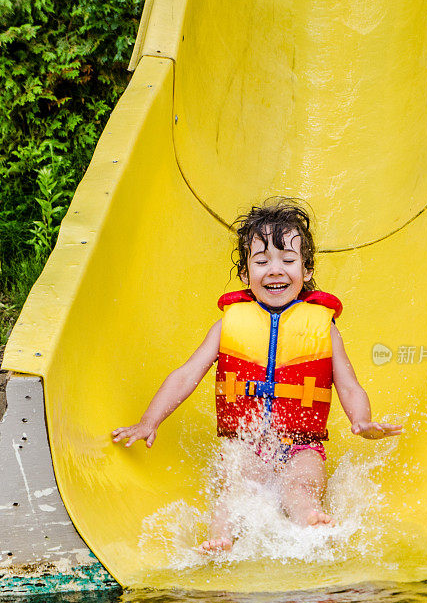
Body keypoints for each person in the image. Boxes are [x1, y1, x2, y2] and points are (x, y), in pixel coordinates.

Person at [112, 198, 402, 553]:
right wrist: (149, 420)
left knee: (301, 485)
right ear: (246, 274)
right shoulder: (227, 326)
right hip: (246, 443)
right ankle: (220, 540)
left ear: (307, 270)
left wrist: (363, 420)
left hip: (302, 444)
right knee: (235, 483)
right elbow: (186, 374)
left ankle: (311, 520)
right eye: (262, 261)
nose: (275, 270)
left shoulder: (323, 329)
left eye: (288, 260)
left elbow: (349, 385)